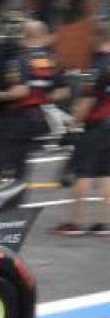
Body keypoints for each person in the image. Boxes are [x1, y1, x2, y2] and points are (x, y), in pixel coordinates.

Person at [0, 20, 64, 182]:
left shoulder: (19, 60)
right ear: (43, 36)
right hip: (36, 117)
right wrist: (41, 97)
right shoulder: (52, 60)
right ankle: (17, 200)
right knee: (21, 164)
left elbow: (20, 91)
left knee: (1, 162)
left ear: (23, 36)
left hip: (13, 118)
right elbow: (62, 91)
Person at [56, 25, 110, 236]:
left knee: (83, 172)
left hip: (96, 126)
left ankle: (76, 222)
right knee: (108, 173)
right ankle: (105, 223)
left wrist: (73, 123)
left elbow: (87, 101)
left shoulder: (96, 67)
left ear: (99, 37)